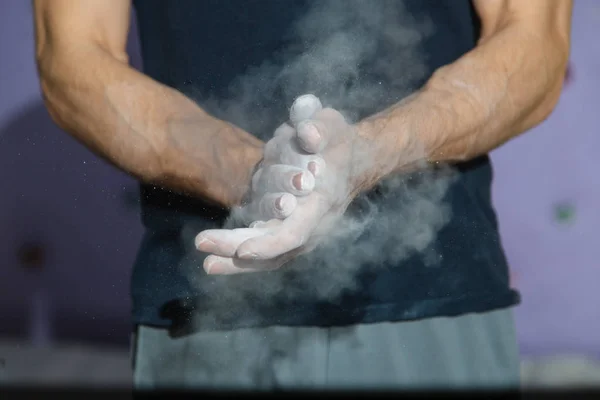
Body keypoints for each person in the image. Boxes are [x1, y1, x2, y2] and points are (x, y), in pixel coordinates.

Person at [33, 0, 572, 391]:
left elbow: (533, 42)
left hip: (432, 304)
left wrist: (365, 154)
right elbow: (74, 59)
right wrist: (257, 176)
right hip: (207, 307)